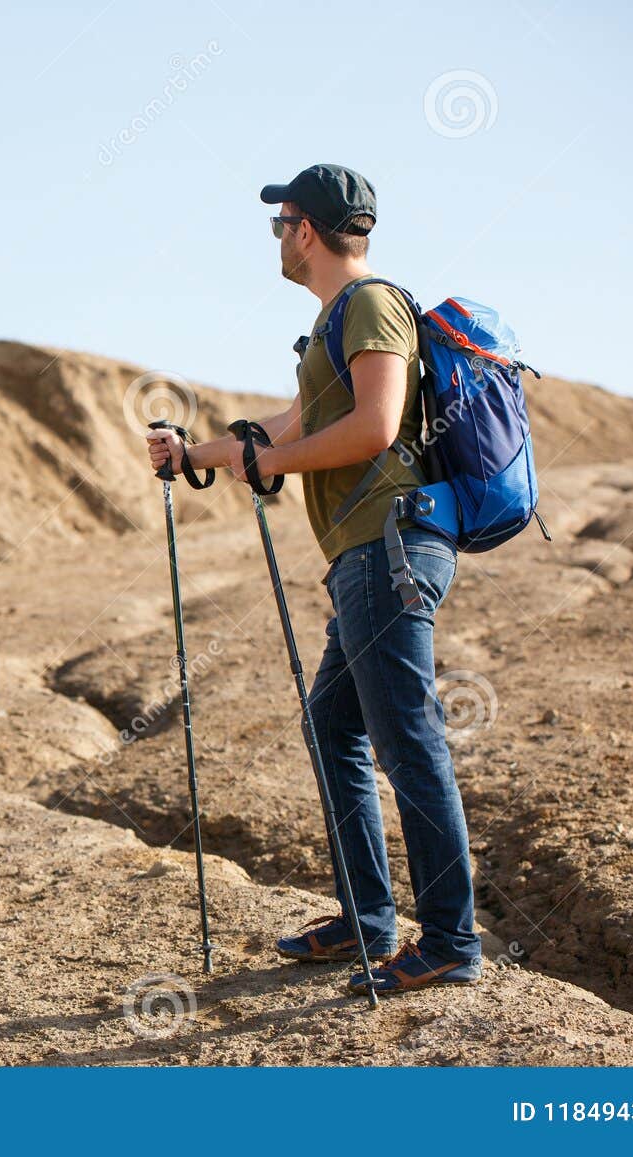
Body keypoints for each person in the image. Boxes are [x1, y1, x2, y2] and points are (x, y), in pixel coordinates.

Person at [145, 164, 482, 994]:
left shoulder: (370, 306)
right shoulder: (335, 323)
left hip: (389, 548)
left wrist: (273, 460)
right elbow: (284, 431)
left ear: (306, 230)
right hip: (365, 558)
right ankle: (367, 920)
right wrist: (198, 455)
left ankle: (448, 941)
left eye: (279, 224)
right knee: (334, 725)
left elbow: (372, 428)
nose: (276, 240)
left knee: (409, 739)